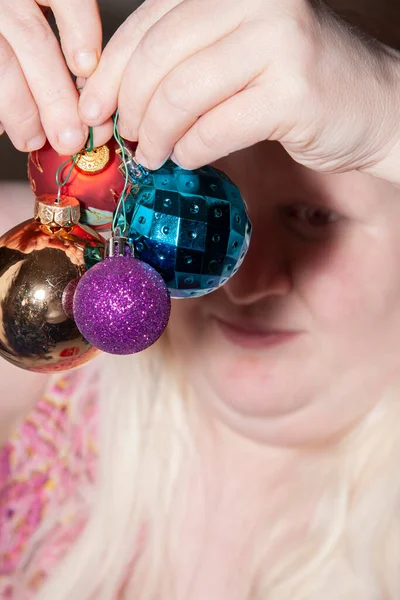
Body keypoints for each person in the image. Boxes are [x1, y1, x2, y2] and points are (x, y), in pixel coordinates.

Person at [2, 0, 400, 598]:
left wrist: (390, 107)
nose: (241, 283)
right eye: (178, 216)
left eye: (312, 217)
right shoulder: (55, 303)